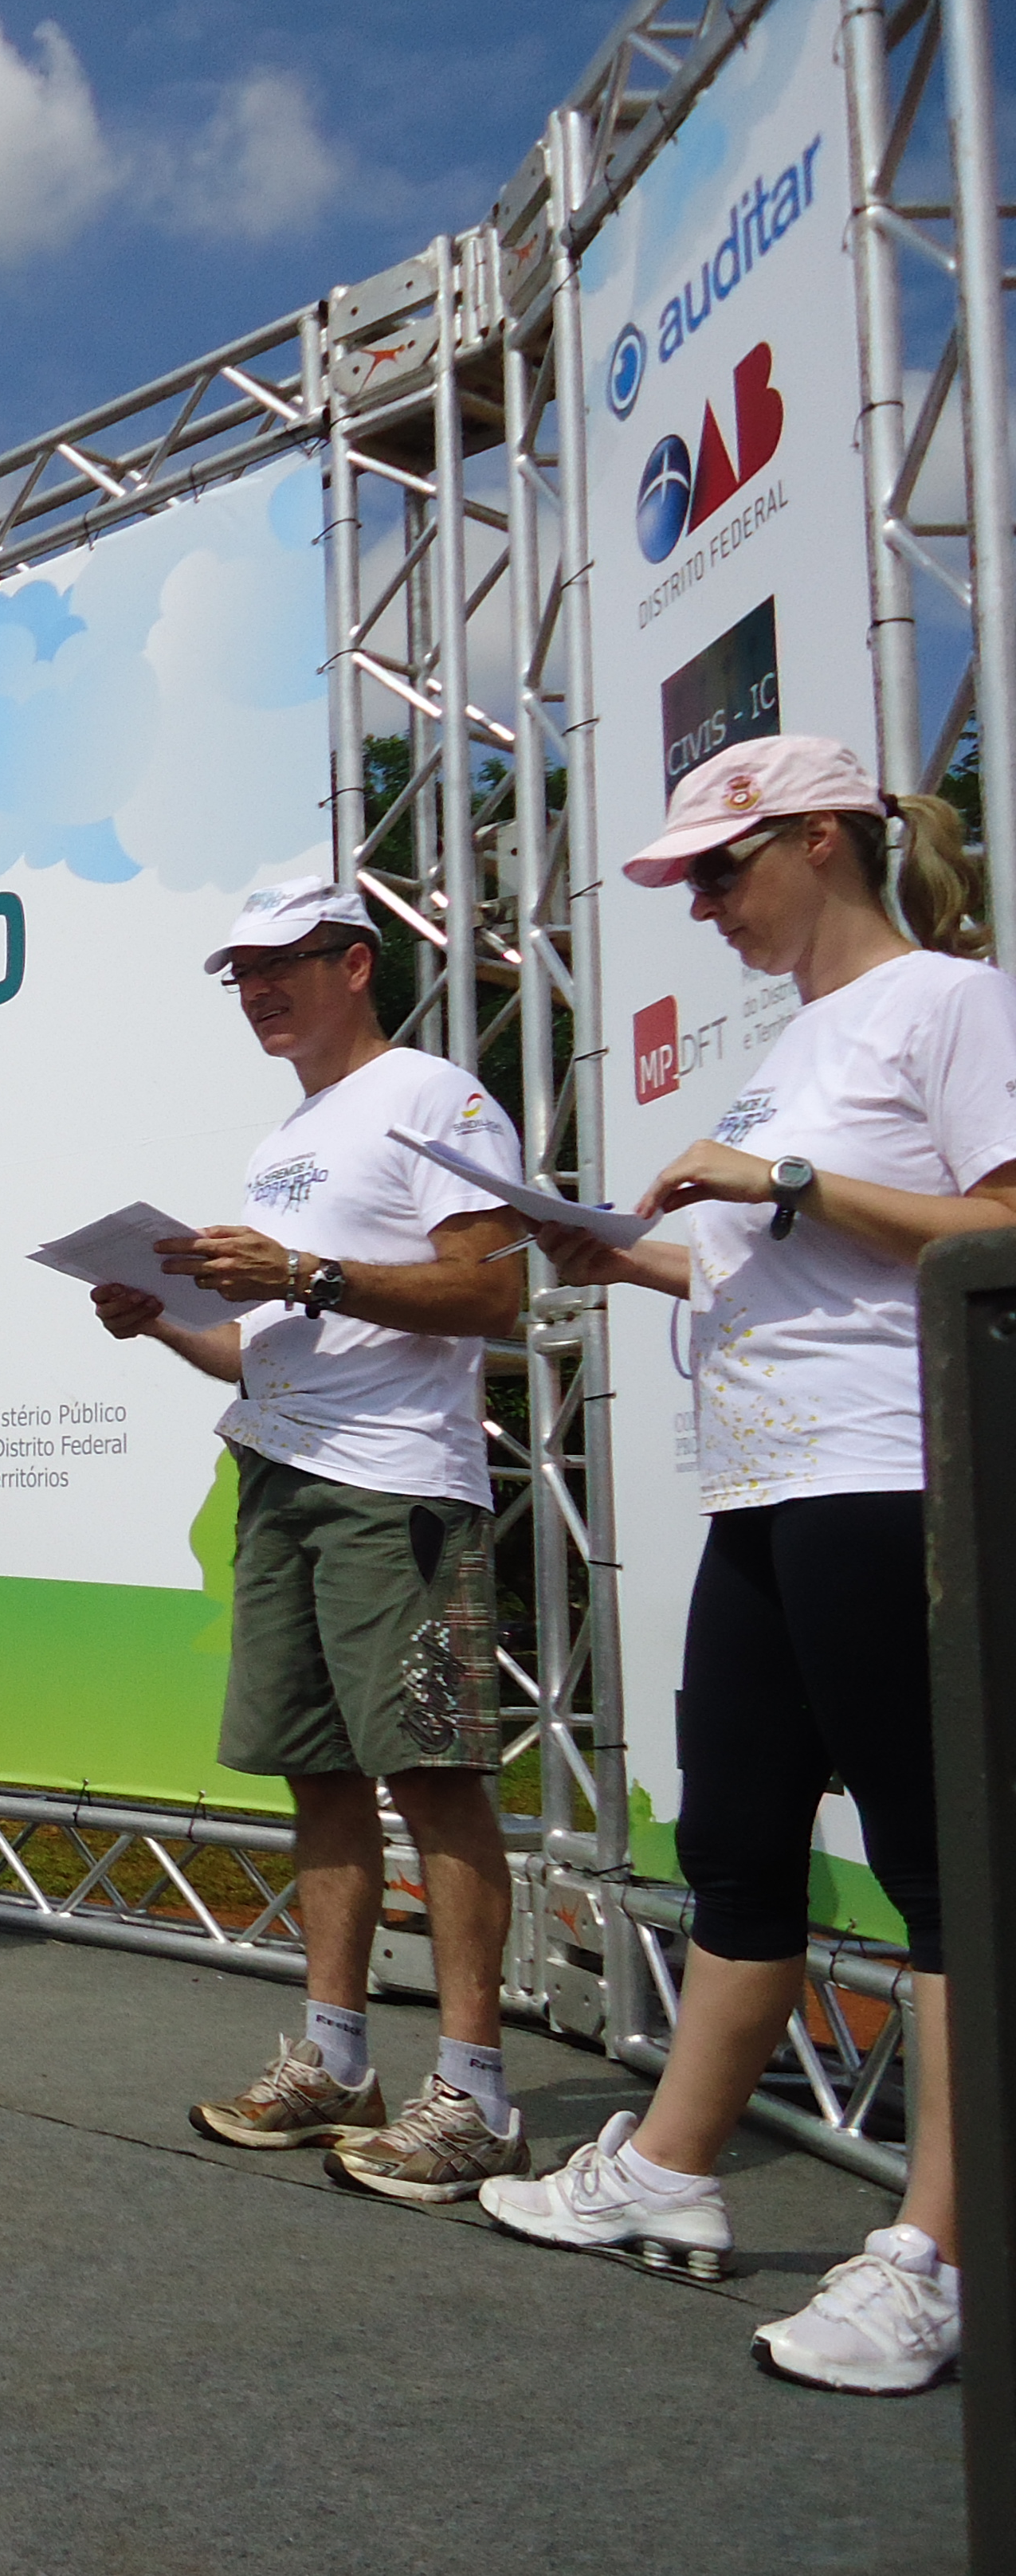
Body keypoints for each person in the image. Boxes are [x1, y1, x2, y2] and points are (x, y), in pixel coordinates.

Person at [484, 737, 1011, 2394]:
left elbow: (1003, 1229)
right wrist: (615, 1253)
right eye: (691, 883)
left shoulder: (951, 1002)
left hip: (894, 1474)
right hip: (768, 1491)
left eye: (721, 870)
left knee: (944, 1876)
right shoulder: (794, 1047)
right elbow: (772, 1260)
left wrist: (781, 1175)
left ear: (824, 843)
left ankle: (943, 2256)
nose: (702, 907)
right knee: (735, 1845)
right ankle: (669, 2167)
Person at [90, 877, 533, 2202]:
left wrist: (300, 1273)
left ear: (355, 963)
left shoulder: (434, 1094)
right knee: (319, 1777)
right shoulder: (286, 1138)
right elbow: (269, 1349)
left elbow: (496, 1293)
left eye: (282, 961)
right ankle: (336, 2064)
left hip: (399, 1493)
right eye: (240, 972)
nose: (258, 989)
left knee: (433, 1776)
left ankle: (477, 2096)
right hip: (280, 1477)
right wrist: (166, 1320)